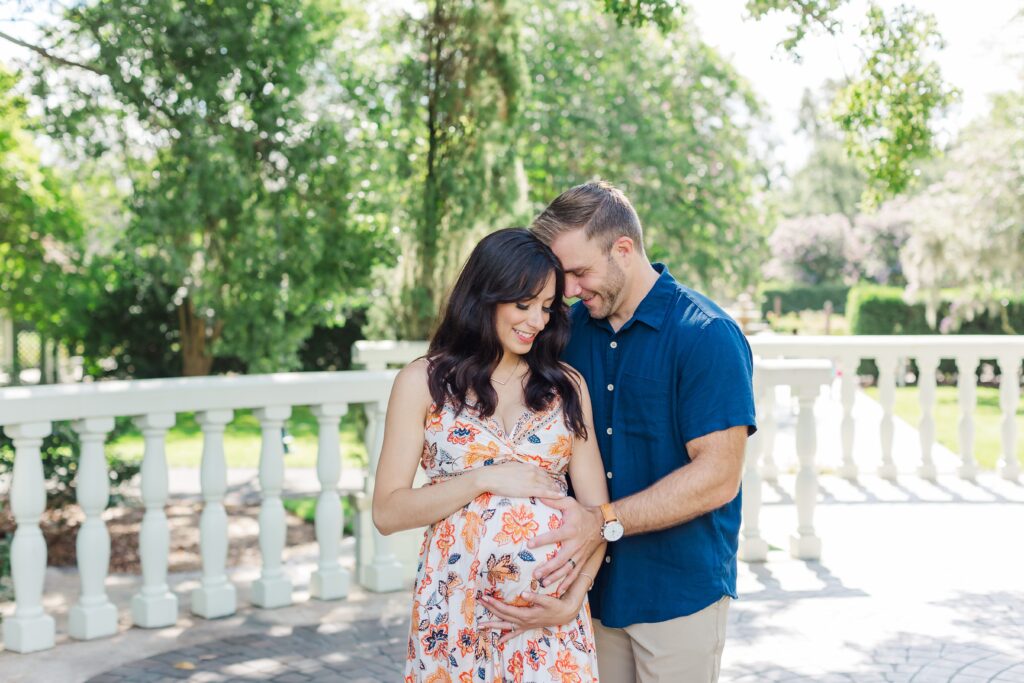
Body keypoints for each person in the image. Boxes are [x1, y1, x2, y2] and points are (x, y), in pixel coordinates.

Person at [485, 181, 756, 682]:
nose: (566, 290)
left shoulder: (707, 336)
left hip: (678, 595)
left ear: (624, 250)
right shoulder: (564, 331)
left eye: (579, 272)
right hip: (583, 598)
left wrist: (603, 521)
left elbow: (719, 476)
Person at [373, 228, 610, 682]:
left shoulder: (566, 387)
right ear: (485, 296)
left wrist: (573, 598)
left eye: (546, 307)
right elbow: (387, 512)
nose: (537, 321)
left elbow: (596, 515)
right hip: (455, 615)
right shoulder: (422, 384)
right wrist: (484, 478)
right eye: (523, 305)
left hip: (552, 627)